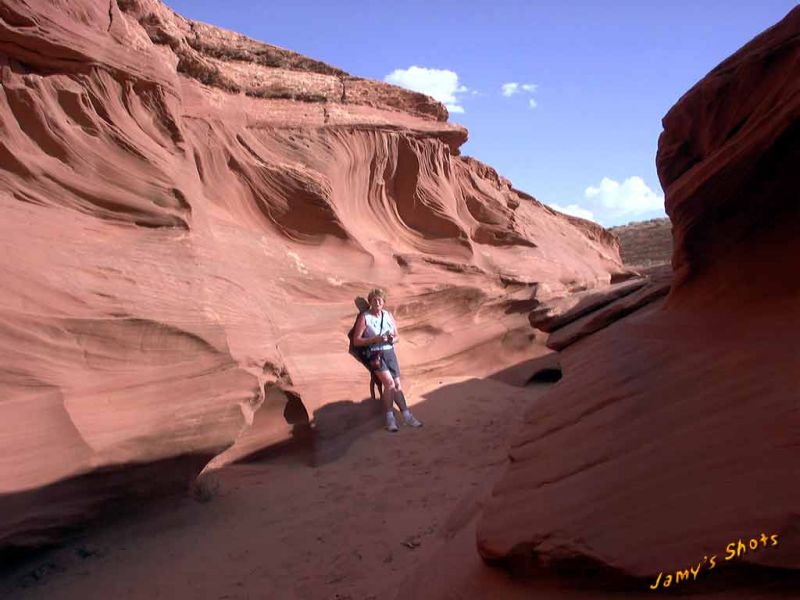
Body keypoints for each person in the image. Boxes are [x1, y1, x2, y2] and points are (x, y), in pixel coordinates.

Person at [352, 287, 423, 432]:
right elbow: (356, 341)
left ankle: (407, 416)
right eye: (374, 299)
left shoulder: (388, 315)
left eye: (380, 299)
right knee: (389, 384)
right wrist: (374, 339)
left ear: (383, 302)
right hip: (375, 354)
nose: (377, 302)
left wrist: (392, 339)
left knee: (397, 385)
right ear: (370, 301)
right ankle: (390, 419)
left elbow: (397, 336)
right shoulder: (365, 317)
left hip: (389, 352)